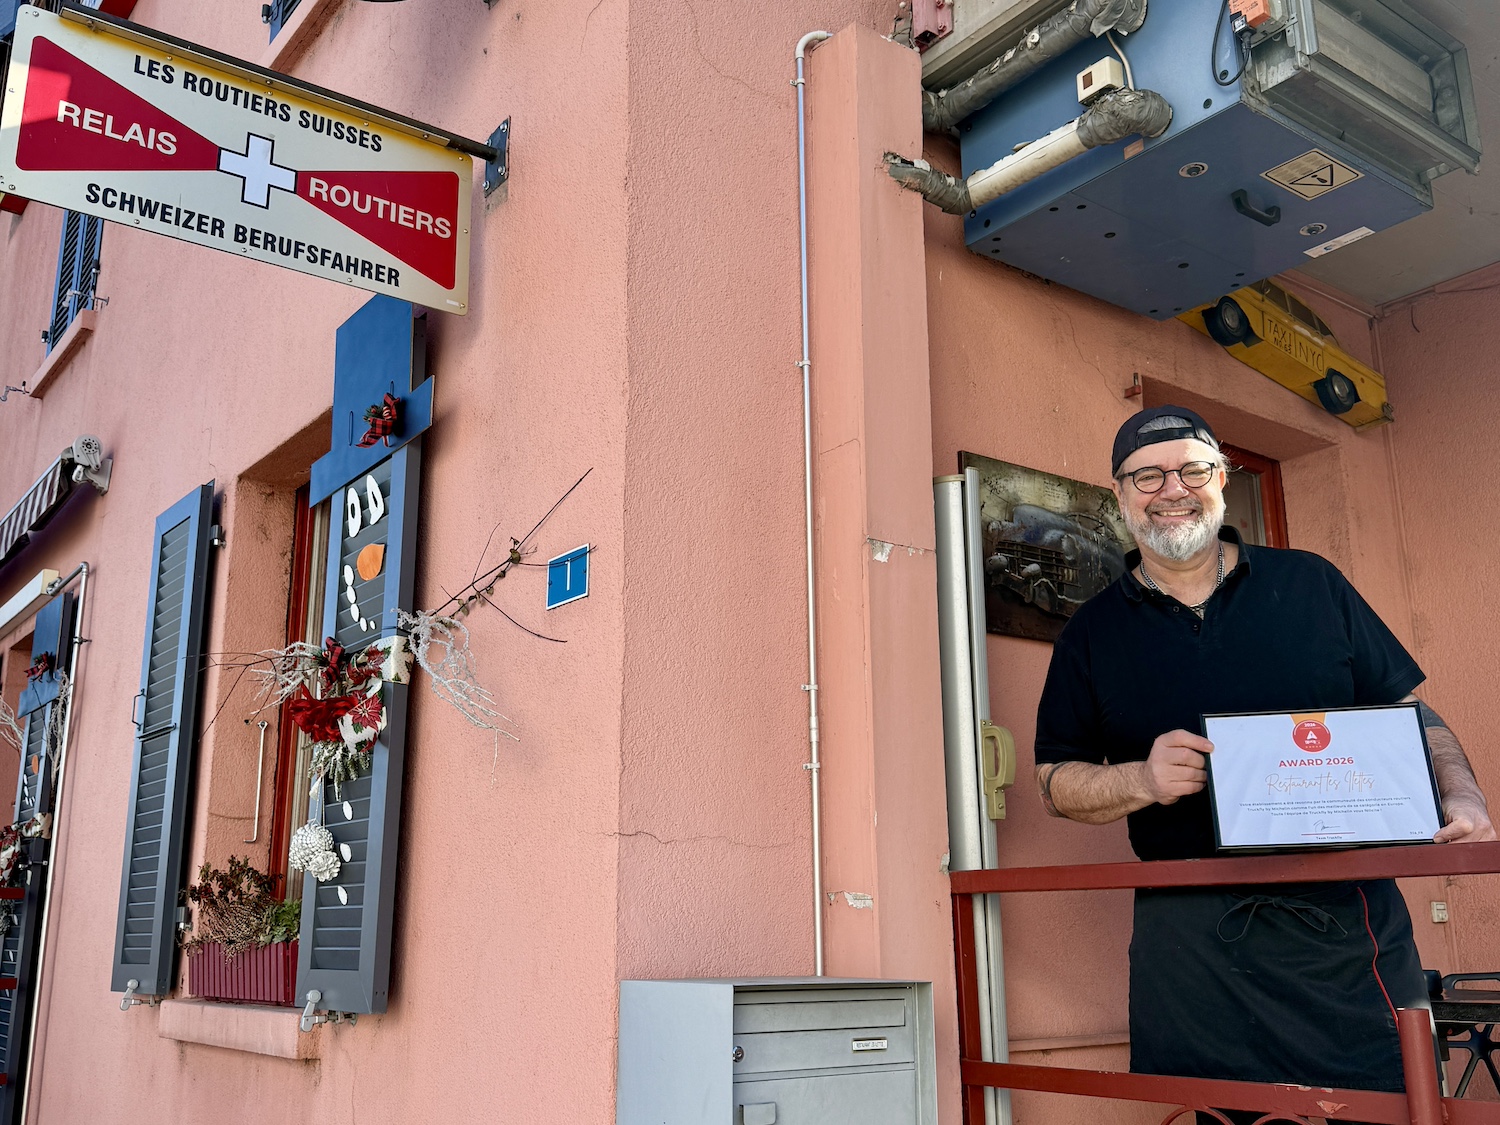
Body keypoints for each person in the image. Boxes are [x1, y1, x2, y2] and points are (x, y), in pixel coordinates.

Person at [1033, 405, 1495, 1125]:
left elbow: (1408, 712)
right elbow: (1055, 782)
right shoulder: (1090, 634)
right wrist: (1141, 780)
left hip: (1346, 928)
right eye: (1147, 474)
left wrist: (1462, 797)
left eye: (1192, 469)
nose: (1172, 488)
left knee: (1385, 1109)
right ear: (1120, 495)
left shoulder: (1313, 583)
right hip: (1189, 943)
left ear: (1221, 480)